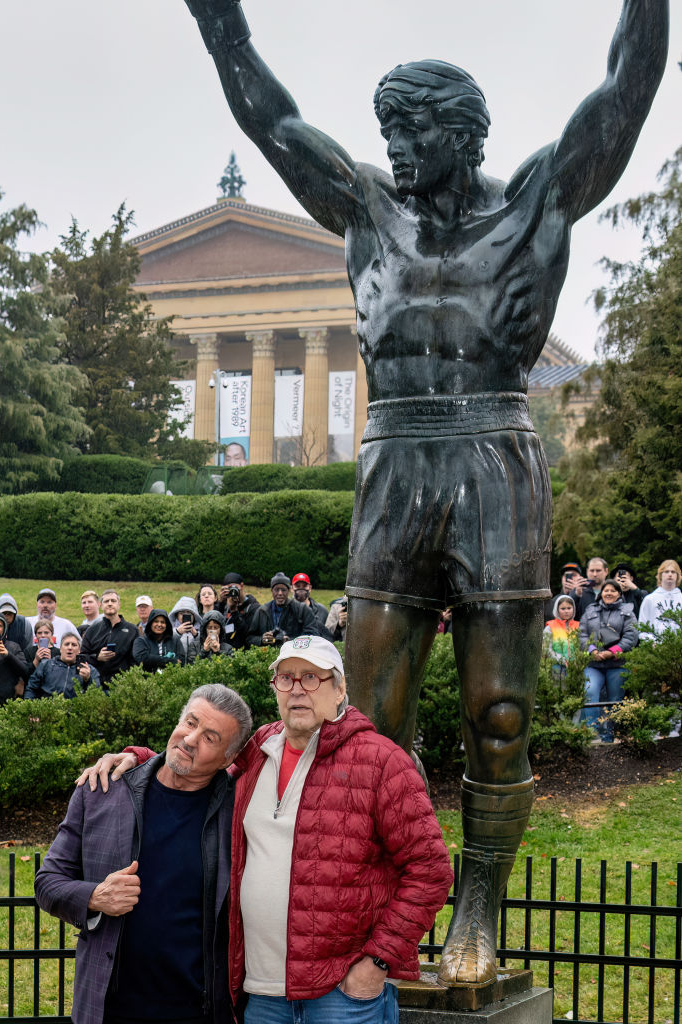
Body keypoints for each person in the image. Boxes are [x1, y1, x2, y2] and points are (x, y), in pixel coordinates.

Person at [179, 0, 668, 987]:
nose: (396, 148)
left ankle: (478, 905)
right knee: (372, 719)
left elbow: (625, 90)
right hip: (394, 464)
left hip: (494, 460)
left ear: (464, 133)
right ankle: (378, 914)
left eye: (415, 130)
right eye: (387, 129)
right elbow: (268, 117)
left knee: (497, 711)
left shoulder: (533, 203)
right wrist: (215, 15)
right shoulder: (366, 212)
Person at [83, 636, 453, 1023]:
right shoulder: (259, 749)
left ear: (340, 688)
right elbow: (202, 764)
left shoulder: (382, 761)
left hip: (342, 996)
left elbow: (431, 871)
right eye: (286, 678)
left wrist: (376, 963)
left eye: (311, 677)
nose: (297, 690)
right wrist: (139, 758)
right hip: (261, 995)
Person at [35, 684, 253, 1024]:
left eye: (211, 737)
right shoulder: (102, 791)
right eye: (190, 723)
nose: (191, 739)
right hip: (109, 1008)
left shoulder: (239, 812)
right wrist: (95, 896)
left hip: (197, 1011)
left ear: (228, 759)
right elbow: (47, 882)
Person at [578, 579, 638, 742]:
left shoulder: (627, 612)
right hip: (594, 664)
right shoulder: (590, 610)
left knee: (615, 699)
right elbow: (582, 634)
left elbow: (631, 636)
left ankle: (608, 734)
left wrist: (612, 652)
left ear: (619, 593)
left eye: (613, 590)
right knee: (590, 691)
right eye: (606, 590)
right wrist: (593, 650)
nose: (609, 593)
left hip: (617, 664)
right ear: (601, 593)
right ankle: (591, 732)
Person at [81, 591, 139, 689]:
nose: (110, 603)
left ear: (119, 604)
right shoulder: (92, 630)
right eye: (106, 601)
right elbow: (82, 657)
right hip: (97, 685)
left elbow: (136, 659)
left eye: (113, 601)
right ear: (100, 605)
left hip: (123, 686)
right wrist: (97, 657)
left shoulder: (132, 630)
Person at [247, 573, 319, 646]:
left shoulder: (302, 609)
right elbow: (249, 638)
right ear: (272, 591)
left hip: (294, 654)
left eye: (283, 590)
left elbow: (313, 636)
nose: (280, 593)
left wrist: (291, 641)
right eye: (276, 590)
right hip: (267, 654)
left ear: (289, 590)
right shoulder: (262, 611)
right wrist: (263, 640)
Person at [25, 631, 101, 700]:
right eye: (66, 644)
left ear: (79, 650)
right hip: (48, 711)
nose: (70, 648)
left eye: (74, 645)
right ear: (60, 648)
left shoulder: (89, 670)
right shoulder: (46, 665)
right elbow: (31, 689)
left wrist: (88, 679)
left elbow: (97, 694)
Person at [0, 611, 29, 713]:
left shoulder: (14, 647)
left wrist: (8, 655)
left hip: (7, 703)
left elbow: (25, 671)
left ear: (4, 628)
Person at [638, 559, 682, 642]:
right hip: (655, 647)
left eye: (673, 572)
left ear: (678, 575)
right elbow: (642, 627)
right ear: (660, 575)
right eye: (666, 572)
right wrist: (653, 642)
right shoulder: (649, 599)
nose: (670, 574)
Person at [543, 595, 579, 680]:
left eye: (569, 608)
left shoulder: (579, 626)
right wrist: (562, 660)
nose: (566, 611)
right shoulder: (550, 627)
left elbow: (583, 646)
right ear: (557, 610)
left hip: (576, 665)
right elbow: (546, 649)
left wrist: (577, 660)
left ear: (573, 609)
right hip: (556, 665)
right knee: (559, 690)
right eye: (563, 609)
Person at [168, 596, 202, 664]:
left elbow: (203, 648)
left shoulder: (199, 630)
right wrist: (177, 633)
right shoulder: (170, 630)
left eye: (189, 613)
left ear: (194, 615)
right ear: (176, 615)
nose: (185, 615)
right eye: (181, 613)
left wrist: (196, 635)